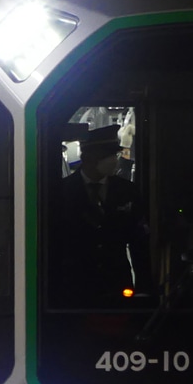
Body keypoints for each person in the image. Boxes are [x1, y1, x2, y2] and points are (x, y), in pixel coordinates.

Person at [54, 125, 151, 302]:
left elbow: (140, 243)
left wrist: (144, 289)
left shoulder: (127, 191)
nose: (113, 160)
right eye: (106, 155)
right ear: (87, 157)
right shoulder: (61, 191)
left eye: (114, 155)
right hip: (74, 287)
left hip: (116, 284)